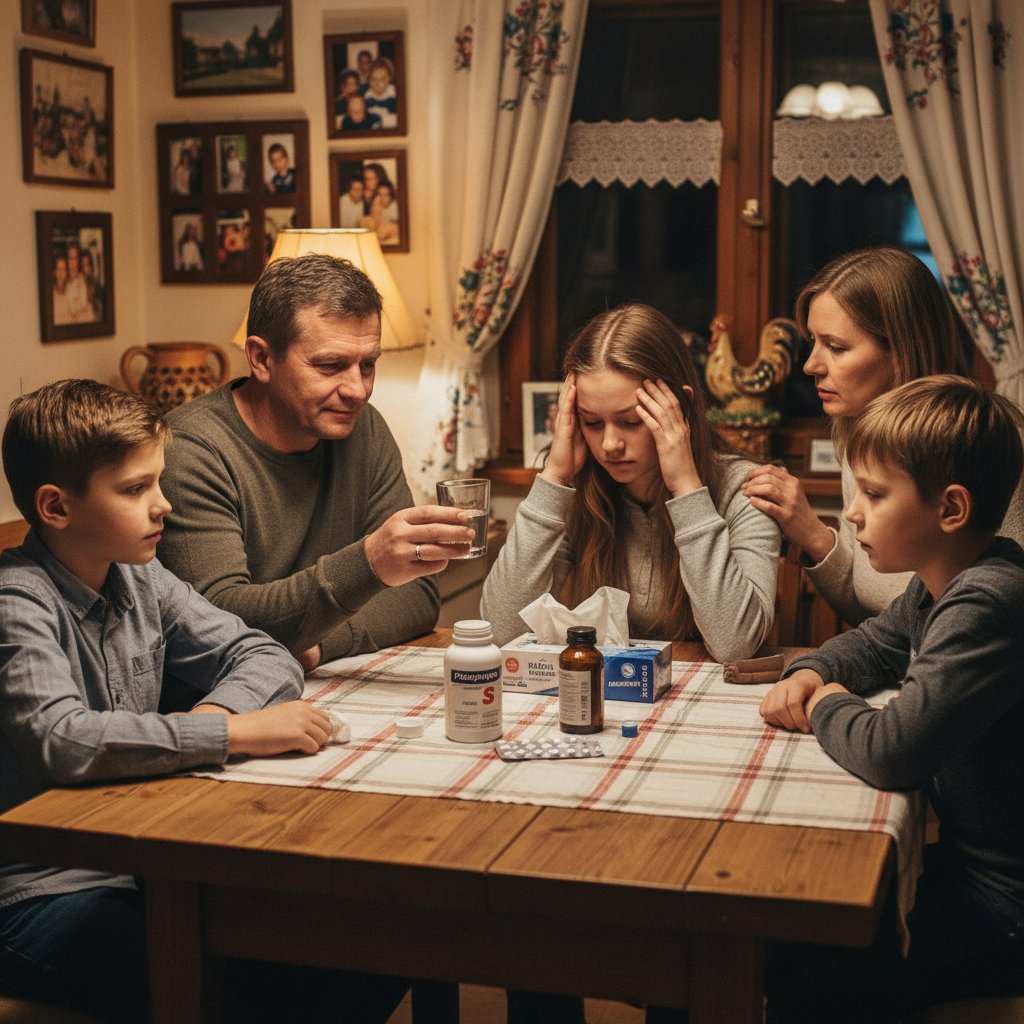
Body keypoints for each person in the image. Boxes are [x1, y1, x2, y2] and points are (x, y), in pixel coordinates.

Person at [0, 379, 409, 1024]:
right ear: (56, 507)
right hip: (39, 893)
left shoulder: (140, 576)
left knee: (367, 949)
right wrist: (235, 734)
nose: (162, 505)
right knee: (235, 998)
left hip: (148, 860)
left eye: (158, 482)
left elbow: (265, 654)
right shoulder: (18, 603)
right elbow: (64, 739)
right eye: (135, 489)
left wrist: (212, 718)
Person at [759, 375, 1024, 1022]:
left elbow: (893, 750)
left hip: (1005, 906)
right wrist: (814, 669)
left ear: (950, 509)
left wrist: (824, 703)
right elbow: (876, 644)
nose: (852, 513)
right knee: (768, 945)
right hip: (968, 873)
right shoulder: (942, 583)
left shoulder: (988, 601)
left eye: (874, 494)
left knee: (805, 999)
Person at [158, 253, 473, 672]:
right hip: (211, 694)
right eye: (330, 365)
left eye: (368, 365)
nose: (357, 390)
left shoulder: (364, 428)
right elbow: (218, 620)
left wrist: (317, 646)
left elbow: (416, 596)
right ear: (262, 359)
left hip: (312, 677)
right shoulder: (191, 450)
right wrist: (369, 562)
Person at [481, 303, 781, 662]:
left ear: (681, 409)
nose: (610, 444)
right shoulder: (576, 488)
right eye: (592, 423)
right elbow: (501, 631)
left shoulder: (744, 488)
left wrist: (687, 488)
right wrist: (554, 477)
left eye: (631, 421)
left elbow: (736, 645)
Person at [743, 245, 1024, 627]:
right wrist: (810, 532)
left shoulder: (986, 445)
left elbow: (1000, 617)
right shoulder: (859, 441)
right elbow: (877, 619)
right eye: (813, 342)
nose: (810, 365)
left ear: (902, 350)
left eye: (836, 347)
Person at [363, 57, 398, 128]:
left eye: (381, 79)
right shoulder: (367, 96)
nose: (377, 84)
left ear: (389, 78)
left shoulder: (394, 95)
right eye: (373, 79)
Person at [51, 253, 72, 326]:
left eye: (64, 270)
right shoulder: (52, 294)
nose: (61, 273)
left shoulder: (71, 290)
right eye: (59, 270)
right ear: (54, 272)